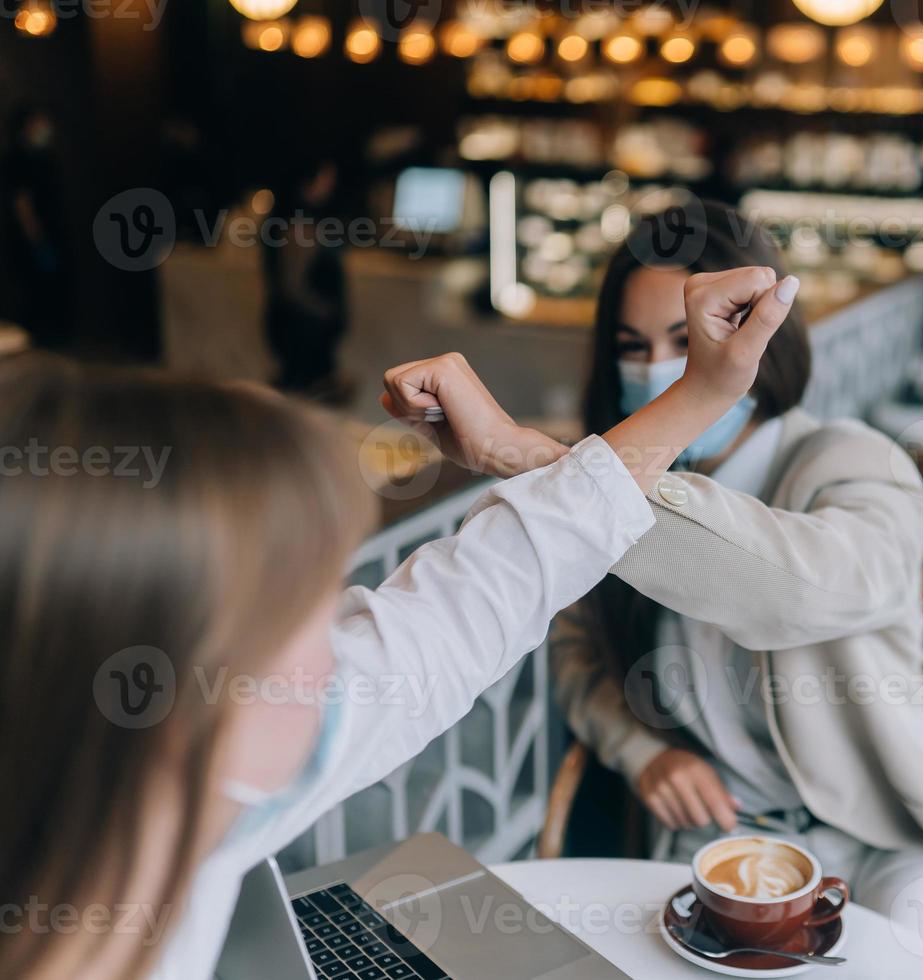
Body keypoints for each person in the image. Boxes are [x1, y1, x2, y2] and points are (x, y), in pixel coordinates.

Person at [0, 263, 798, 979]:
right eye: (303, 617)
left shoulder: (186, 797)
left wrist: (696, 397)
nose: (340, 652)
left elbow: (467, 603)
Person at [550, 201, 923, 980]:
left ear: (753, 338)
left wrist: (597, 480)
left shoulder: (860, 466)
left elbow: (790, 593)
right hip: (718, 843)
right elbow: (575, 647)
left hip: (877, 830)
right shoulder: (629, 480)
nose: (655, 369)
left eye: (687, 340)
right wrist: (642, 751)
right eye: (633, 347)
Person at [262, 159, 350, 401]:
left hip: (299, 329)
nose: (331, 185)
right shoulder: (298, 226)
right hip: (302, 332)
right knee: (302, 399)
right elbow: (292, 287)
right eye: (326, 179)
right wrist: (327, 313)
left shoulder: (294, 220)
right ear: (306, 183)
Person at [0, 106, 71, 348]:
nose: (44, 128)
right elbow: (22, 204)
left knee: (52, 299)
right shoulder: (17, 160)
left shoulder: (45, 159)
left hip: (51, 236)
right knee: (35, 299)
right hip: (31, 243)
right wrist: (37, 242)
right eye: (37, 123)